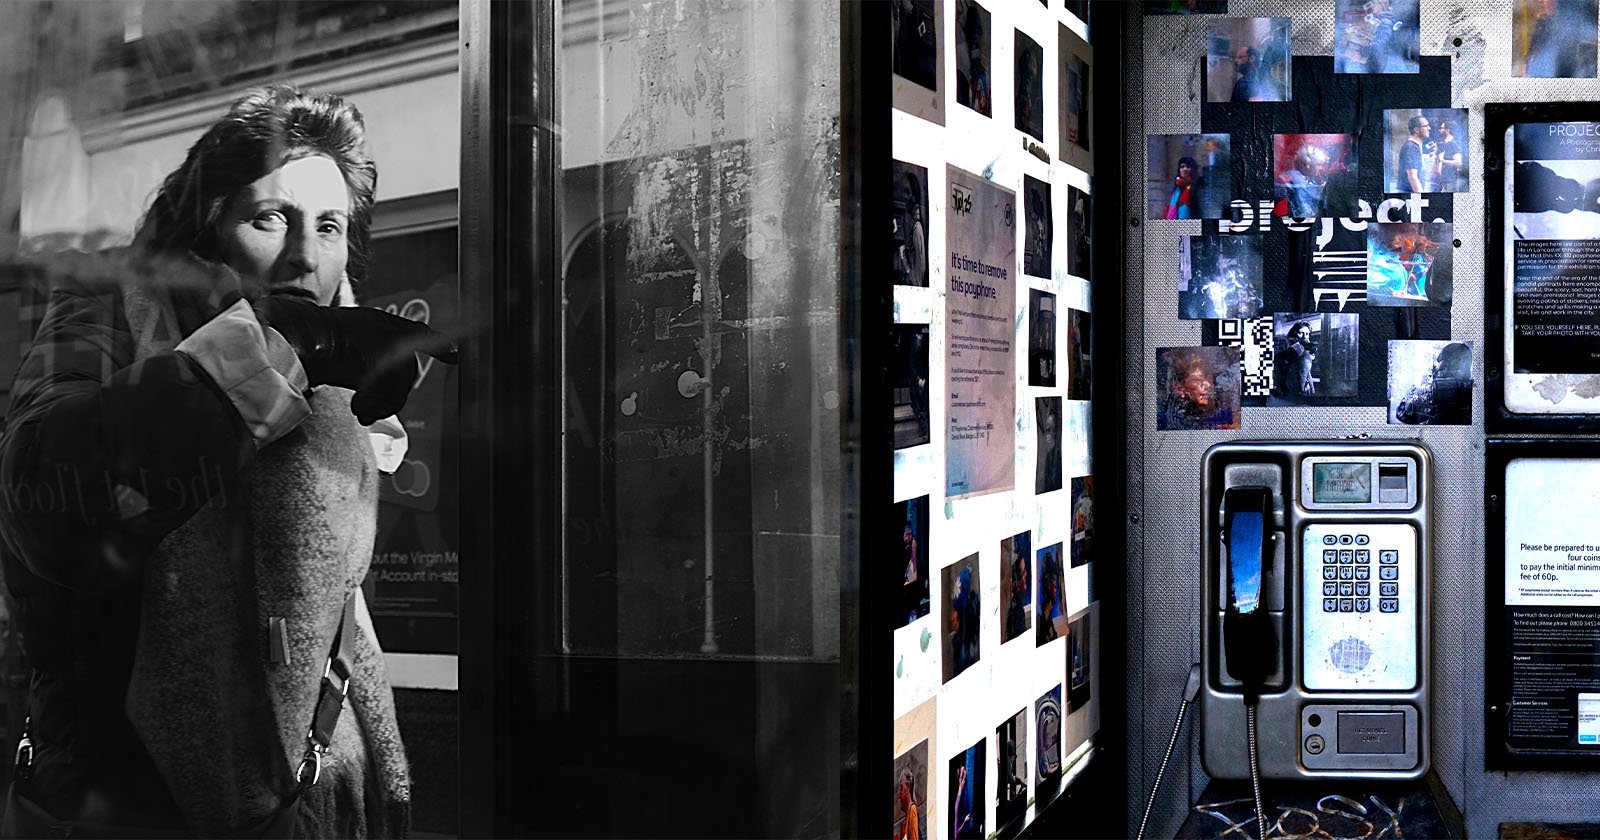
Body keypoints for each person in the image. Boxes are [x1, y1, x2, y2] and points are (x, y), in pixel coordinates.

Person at [0, 84, 455, 837]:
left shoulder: (335, 400)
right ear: (206, 230)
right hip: (114, 809)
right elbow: (38, 494)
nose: (305, 255)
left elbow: (336, 621)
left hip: (300, 805)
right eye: (270, 217)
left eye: (331, 226)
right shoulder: (109, 313)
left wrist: (382, 776)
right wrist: (281, 341)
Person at [1277, 320, 1318, 398]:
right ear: (1294, 333)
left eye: (1307, 334)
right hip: (1293, 387)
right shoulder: (1291, 349)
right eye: (1301, 333)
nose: (1304, 336)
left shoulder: (1306, 348)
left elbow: (1306, 370)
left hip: (1305, 386)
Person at [1400, 114, 1430, 192]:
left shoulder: (1414, 146)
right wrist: (1421, 196)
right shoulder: (1411, 148)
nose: (1429, 128)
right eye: (1426, 126)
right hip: (1411, 193)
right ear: (1416, 130)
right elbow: (1413, 177)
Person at [1434, 119, 1464, 192]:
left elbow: (1458, 163)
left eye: (1442, 128)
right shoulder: (1444, 144)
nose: (1439, 130)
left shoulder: (1453, 144)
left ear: (1447, 130)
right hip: (1443, 181)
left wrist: (1443, 160)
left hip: (1450, 182)